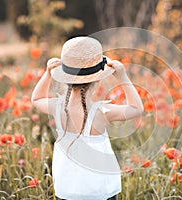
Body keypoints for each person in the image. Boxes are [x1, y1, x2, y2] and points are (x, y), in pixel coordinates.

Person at [31, 36, 144, 200]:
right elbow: (137, 108)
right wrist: (122, 77)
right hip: (101, 192)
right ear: (96, 80)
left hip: (68, 191)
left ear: (65, 77)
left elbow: (36, 99)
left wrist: (48, 74)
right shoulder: (102, 112)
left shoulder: (58, 107)